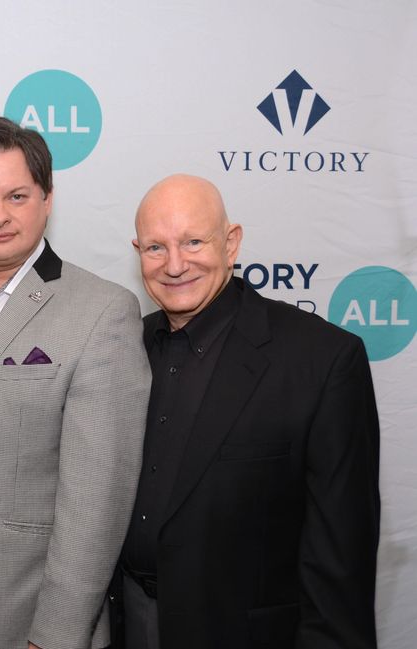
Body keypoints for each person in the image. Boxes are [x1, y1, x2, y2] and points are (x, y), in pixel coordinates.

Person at [0, 117, 151, 649]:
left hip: (26, 617)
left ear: (47, 199)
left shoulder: (101, 312)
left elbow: (97, 504)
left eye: (17, 195)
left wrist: (57, 636)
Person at [114, 173, 380, 649]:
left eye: (194, 241)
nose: (175, 265)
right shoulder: (121, 347)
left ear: (231, 243)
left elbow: (341, 560)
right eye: (156, 248)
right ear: (138, 253)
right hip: (126, 623)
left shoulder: (321, 360)